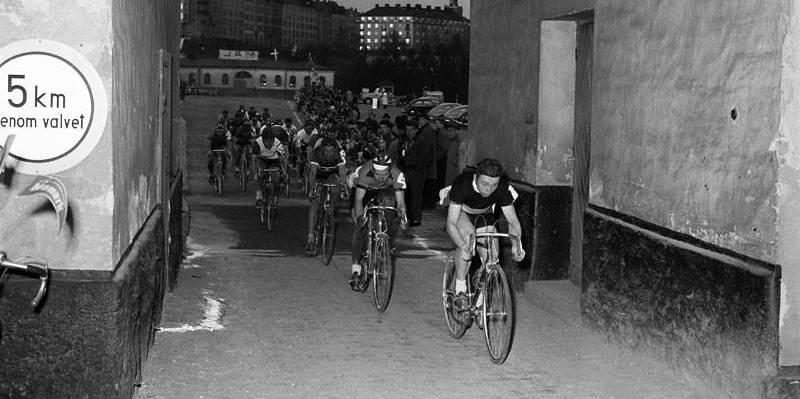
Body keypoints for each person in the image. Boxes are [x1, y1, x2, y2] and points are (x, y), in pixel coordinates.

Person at [443, 158, 525, 311]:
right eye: (484, 184)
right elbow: (451, 223)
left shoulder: (502, 188)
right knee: (468, 239)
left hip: (484, 214)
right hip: (462, 213)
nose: (489, 189)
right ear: (476, 177)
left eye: (493, 185)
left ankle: (480, 296)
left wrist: (516, 244)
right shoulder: (462, 184)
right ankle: (460, 288)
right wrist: (462, 246)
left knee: (492, 256)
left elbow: (513, 221)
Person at [349, 153, 407, 291]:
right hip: (363, 191)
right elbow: (358, 201)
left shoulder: (397, 174)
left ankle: (383, 239)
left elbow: (400, 203)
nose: (381, 178)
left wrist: (403, 217)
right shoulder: (365, 171)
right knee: (360, 228)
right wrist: (360, 219)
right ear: (373, 170)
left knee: (390, 203)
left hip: (384, 191)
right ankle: (356, 270)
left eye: (385, 174)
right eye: (378, 174)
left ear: (390, 170)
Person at [304, 136, 347, 255]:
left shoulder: (340, 154)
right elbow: (312, 173)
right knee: (315, 203)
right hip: (318, 174)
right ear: (322, 149)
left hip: (332, 173)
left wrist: (343, 187)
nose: (329, 154)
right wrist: (313, 189)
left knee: (336, 184)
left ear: (336, 150)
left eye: (331, 151)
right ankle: (311, 238)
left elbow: (342, 172)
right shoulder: (316, 153)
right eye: (326, 151)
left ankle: (331, 207)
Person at [400, 118, 435, 227]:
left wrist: (416, 164)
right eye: (407, 130)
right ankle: (407, 216)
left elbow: (427, 157)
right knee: (406, 195)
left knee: (416, 196)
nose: (409, 132)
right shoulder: (404, 141)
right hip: (406, 171)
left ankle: (415, 218)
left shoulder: (422, 141)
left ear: (416, 130)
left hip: (417, 172)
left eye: (411, 130)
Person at [251, 127, 287, 207]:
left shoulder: (278, 144)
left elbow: (282, 159)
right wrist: (255, 173)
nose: (270, 143)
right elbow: (254, 160)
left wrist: (284, 172)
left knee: (277, 180)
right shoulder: (257, 143)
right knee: (260, 175)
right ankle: (259, 197)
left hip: (274, 160)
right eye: (267, 141)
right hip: (262, 159)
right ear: (263, 139)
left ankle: (275, 198)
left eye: (272, 140)